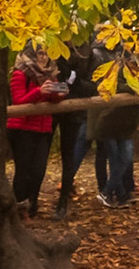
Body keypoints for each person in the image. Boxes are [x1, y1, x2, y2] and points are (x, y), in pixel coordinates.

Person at [7, 46, 65, 217]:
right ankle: (19, 209)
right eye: (40, 53)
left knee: (38, 171)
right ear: (31, 54)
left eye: (47, 53)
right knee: (23, 171)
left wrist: (57, 92)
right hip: (21, 129)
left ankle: (32, 205)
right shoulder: (20, 73)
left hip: (43, 128)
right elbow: (19, 102)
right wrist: (38, 92)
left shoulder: (52, 73)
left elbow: (59, 96)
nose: (44, 58)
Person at [52, 35, 103, 220]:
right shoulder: (52, 47)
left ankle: (63, 201)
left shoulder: (87, 54)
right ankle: (31, 202)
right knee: (39, 157)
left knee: (69, 157)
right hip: (48, 110)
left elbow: (93, 87)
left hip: (73, 113)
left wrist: (73, 83)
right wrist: (61, 87)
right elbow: (45, 84)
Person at [93, 52, 139, 207]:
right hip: (110, 124)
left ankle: (110, 193)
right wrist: (133, 88)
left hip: (127, 127)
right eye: (132, 61)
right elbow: (114, 86)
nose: (135, 64)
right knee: (116, 159)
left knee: (125, 159)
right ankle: (117, 195)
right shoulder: (117, 73)